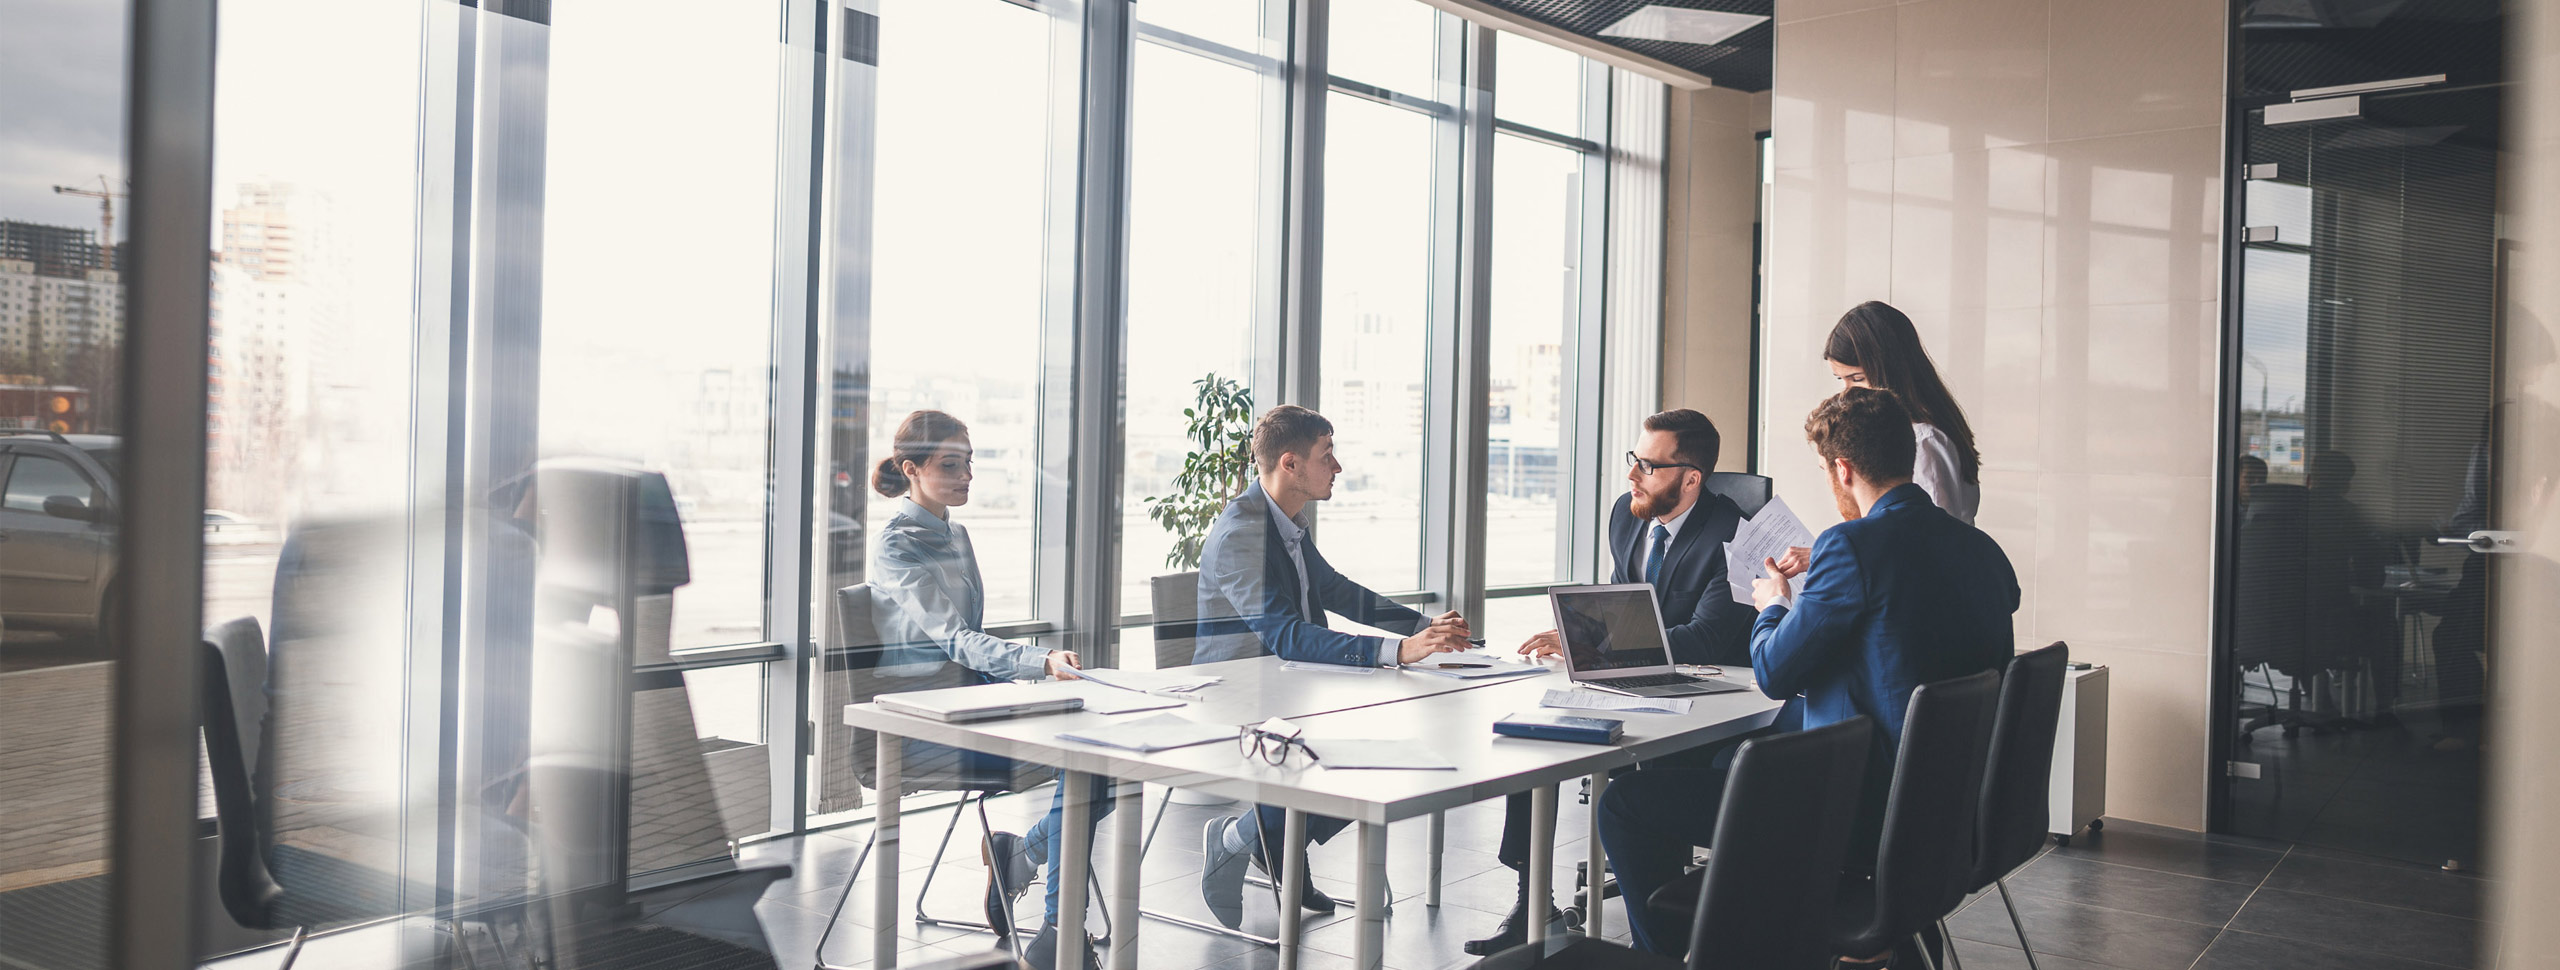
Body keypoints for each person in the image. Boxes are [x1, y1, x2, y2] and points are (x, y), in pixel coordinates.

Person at [1595, 387, 2019, 960]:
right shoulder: (1982, 549)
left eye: (1825, 470)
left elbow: (1771, 669)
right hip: (1945, 807)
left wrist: (1773, 603)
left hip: (1851, 809)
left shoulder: (1849, 546)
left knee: (1624, 801)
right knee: (1726, 760)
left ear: (1842, 468)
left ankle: (1671, 958)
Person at [1464, 409, 1756, 955]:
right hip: (1629, 678)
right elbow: (1624, 605)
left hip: (1706, 697)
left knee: (1640, 790)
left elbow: (1705, 638)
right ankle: (1534, 904)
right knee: (1538, 735)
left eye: (1648, 465)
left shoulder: (1734, 535)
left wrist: (1596, 644)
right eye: (1633, 460)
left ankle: (1666, 938)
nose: (1632, 476)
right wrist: (1581, 636)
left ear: (1691, 478)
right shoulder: (1628, 513)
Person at [1192, 404, 1475, 928]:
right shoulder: (1241, 534)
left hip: (1289, 689)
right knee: (1353, 758)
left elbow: (1337, 591)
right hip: (1239, 699)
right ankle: (1240, 839)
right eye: (1328, 455)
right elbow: (1285, 635)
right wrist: (1396, 652)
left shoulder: (1285, 523)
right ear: (1290, 463)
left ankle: (1268, 842)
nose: (1338, 467)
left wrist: (1424, 628)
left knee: (1375, 752)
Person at [869, 410, 1102, 970]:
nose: (967, 475)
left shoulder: (957, 532)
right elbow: (956, 639)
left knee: (1106, 757)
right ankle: (1057, 931)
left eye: (969, 463)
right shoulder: (896, 546)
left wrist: (1034, 671)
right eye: (951, 465)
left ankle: (1019, 857)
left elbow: (969, 643)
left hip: (972, 704)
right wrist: (1036, 661)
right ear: (912, 469)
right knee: (1086, 761)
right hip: (924, 723)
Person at [1822, 301, 1984, 525]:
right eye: (1842, 380)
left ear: (1889, 371)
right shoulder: (1908, 434)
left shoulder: (1924, 441)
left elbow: (1930, 543)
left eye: (1857, 379)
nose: (1847, 394)